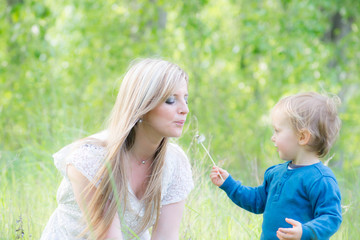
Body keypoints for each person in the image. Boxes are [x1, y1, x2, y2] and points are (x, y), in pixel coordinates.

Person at [40, 58, 194, 240]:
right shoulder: (91, 159)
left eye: (185, 99)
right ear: (142, 105)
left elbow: (166, 236)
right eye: (170, 100)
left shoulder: (174, 162)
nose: (185, 109)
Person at [210, 92, 342, 240]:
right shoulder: (275, 173)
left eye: (277, 131)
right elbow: (256, 201)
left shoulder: (320, 179)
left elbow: (331, 217)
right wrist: (230, 185)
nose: (273, 137)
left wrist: (305, 232)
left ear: (302, 137)